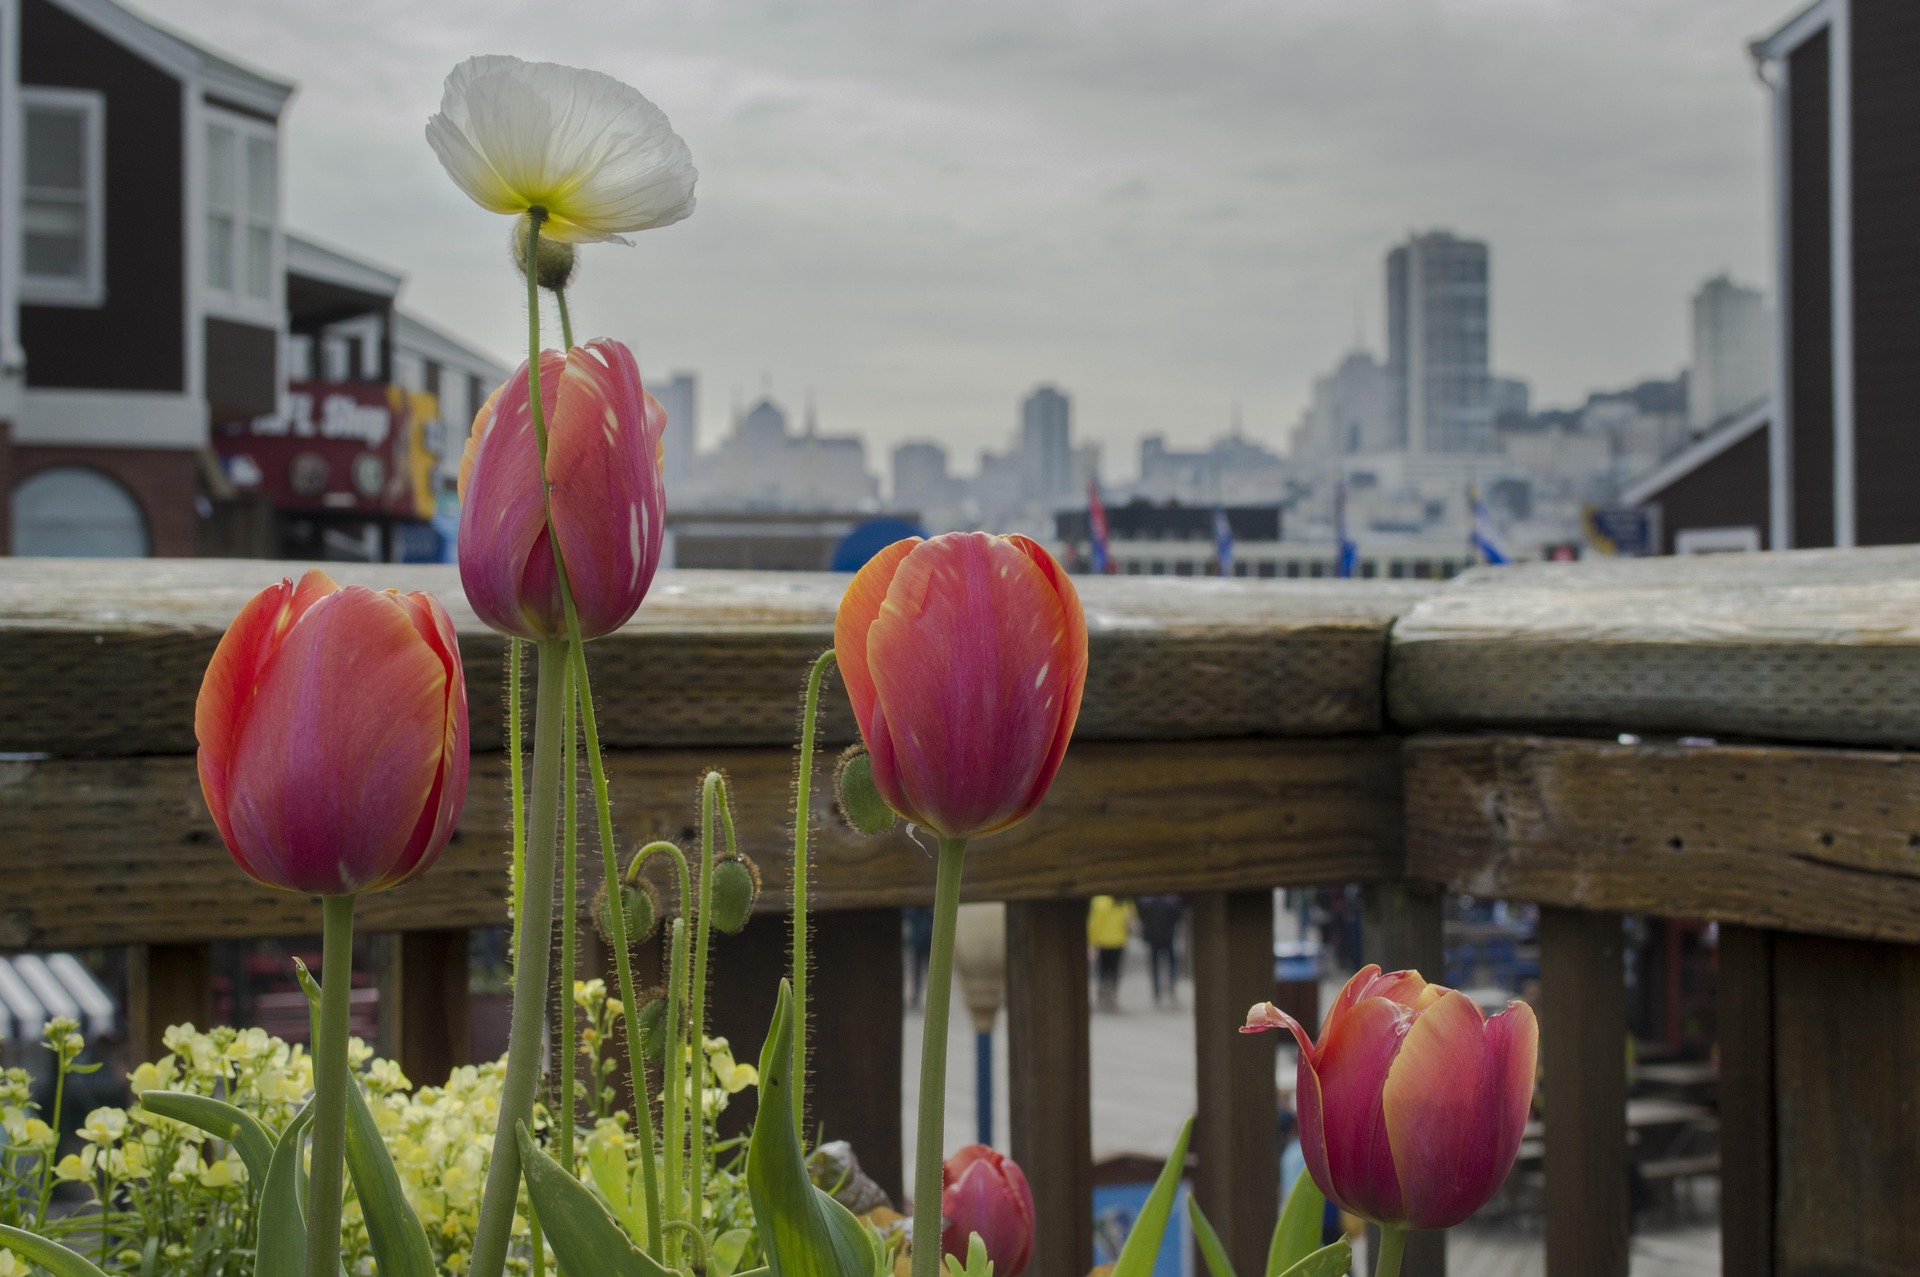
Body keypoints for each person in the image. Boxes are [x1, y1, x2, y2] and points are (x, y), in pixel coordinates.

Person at [1136, 894, 1186, 1007]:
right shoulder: (1171, 902)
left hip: (1153, 936)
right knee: (1171, 963)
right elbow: (1179, 914)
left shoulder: (1147, 902)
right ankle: (1171, 988)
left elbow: (1141, 914)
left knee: (1155, 965)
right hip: (1168, 936)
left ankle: (1157, 991)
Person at [1087, 895, 1135, 1011]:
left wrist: (1092, 942)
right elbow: (1131, 920)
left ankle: (1104, 994)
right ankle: (1112, 994)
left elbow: (1094, 923)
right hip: (1118, 941)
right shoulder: (1125, 901)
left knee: (1103, 969)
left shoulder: (1099, 901)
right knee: (1115, 969)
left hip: (1103, 941)